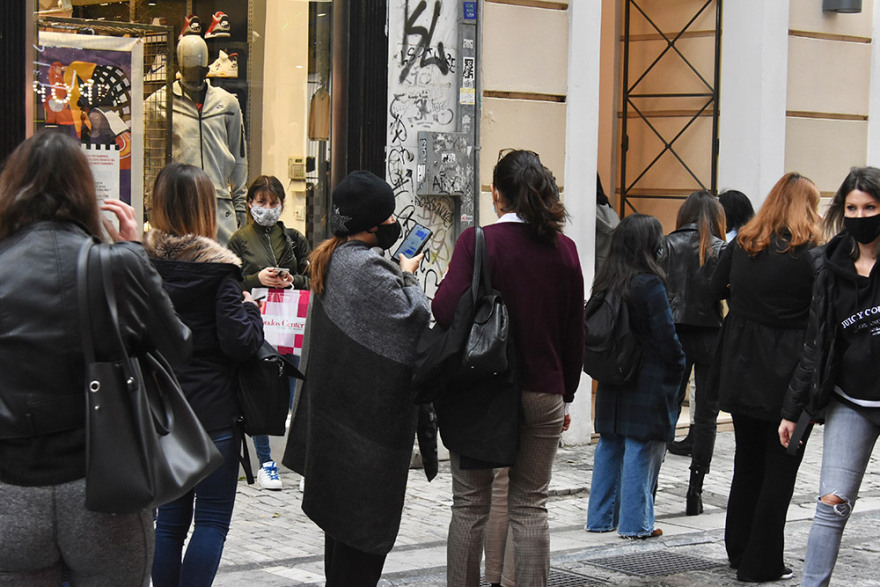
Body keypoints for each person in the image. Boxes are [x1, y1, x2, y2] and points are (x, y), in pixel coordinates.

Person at [0, 130, 191, 585]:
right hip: (103, 482)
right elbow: (177, 347)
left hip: (10, 487)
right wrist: (133, 251)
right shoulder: (115, 263)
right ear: (86, 191)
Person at [434, 149, 584, 586]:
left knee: (470, 507)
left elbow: (444, 310)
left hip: (481, 393)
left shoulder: (478, 242)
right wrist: (566, 392)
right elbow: (575, 330)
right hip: (544, 391)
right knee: (530, 506)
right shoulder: (566, 250)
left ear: (497, 195)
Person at [282, 170, 430, 586]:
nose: (392, 225)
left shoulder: (332, 258)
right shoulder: (366, 269)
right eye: (387, 218)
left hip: (337, 428)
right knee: (360, 549)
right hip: (365, 439)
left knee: (342, 545)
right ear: (371, 224)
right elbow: (413, 317)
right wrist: (408, 273)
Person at [144, 162, 264, 587]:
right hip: (212, 412)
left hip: (159, 410)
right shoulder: (220, 269)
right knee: (211, 522)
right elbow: (240, 343)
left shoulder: (141, 262)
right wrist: (251, 310)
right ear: (204, 209)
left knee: (169, 524)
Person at [711, 173, 821, 582]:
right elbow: (820, 320)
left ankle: (739, 549)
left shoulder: (743, 244)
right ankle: (761, 561)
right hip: (787, 373)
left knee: (748, 461)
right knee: (780, 468)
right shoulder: (811, 255)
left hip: (740, 365)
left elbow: (711, 290)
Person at [780, 166, 880, 586]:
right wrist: (793, 408)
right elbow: (815, 344)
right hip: (849, 401)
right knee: (831, 503)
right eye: (852, 207)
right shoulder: (830, 265)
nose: (861, 216)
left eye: (871, 207)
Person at [586, 213, 686, 539]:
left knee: (610, 446)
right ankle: (635, 524)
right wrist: (679, 364)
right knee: (640, 449)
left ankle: (599, 519)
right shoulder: (649, 284)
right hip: (647, 379)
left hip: (613, 377)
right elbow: (666, 337)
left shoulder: (605, 280)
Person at [228, 175, 311, 490]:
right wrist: (255, 279)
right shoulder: (239, 239)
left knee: (293, 395)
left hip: (290, 321)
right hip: (259, 323)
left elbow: (314, 276)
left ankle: (299, 462)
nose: (267, 208)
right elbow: (229, 282)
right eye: (261, 202)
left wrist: (291, 282)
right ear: (250, 204)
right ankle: (266, 464)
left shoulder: (293, 238)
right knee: (262, 393)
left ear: (282, 205)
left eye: (273, 203)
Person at [145, 35, 247, 246]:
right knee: (183, 264)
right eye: (190, 70)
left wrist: (240, 204)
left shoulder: (227, 103)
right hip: (178, 203)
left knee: (223, 266)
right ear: (180, 65)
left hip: (218, 203)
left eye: (200, 70)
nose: (195, 76)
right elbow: (151, 161)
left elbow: (239, 156)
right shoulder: (159, 103)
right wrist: (152, 208)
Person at [663, 190, 726, 515]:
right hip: (710, 334)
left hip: (674, 331)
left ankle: (651, 482)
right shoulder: (720, 248)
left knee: (668, 408)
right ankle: (695, 491)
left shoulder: (667, 244)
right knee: (706, 416)